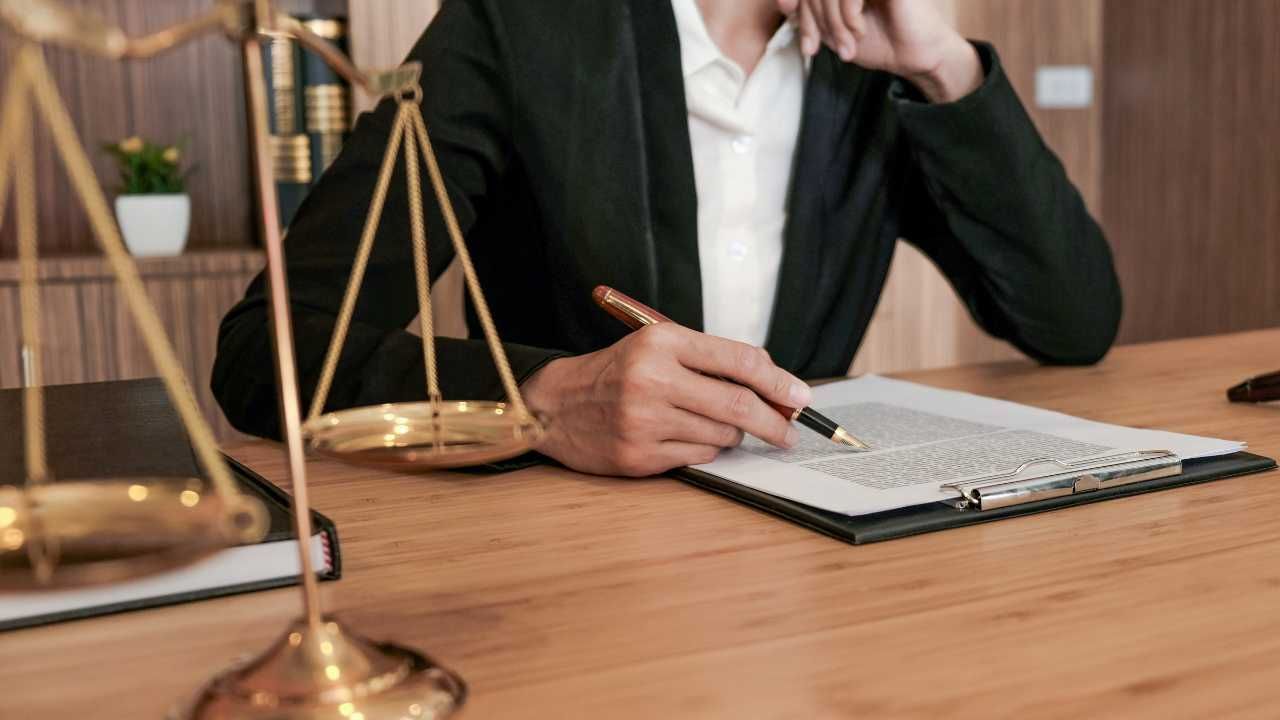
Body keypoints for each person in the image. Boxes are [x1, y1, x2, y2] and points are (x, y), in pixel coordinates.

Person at [212, 0, 1122, 477]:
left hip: (817, 555)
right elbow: (268, 352)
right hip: (568, 559)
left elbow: (1073, 322)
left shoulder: (870, 66)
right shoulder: (515, 25)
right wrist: (543, 401)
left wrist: (942, 64)